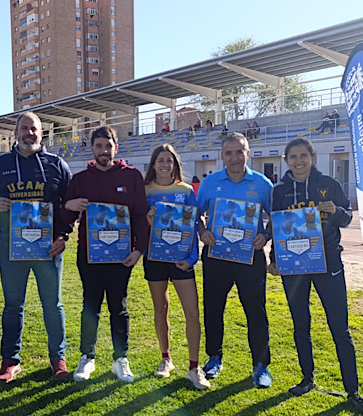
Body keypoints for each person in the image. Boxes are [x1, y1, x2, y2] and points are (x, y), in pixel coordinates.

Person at [268, 138, 363, 416]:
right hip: (294, 267)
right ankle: (307, 378)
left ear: (313, 157)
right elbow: (276, 227)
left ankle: (352, 391)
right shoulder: (279, 191)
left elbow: (347, 217)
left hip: (328, 265)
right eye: (293, 157)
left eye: (304, 155)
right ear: (286, 160)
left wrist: (335, 211)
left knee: (340, 328)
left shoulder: (329, 184)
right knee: (300, 324)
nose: (299, 161)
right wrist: (273, 259)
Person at [0, 112, 73, 383]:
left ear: (41, 133)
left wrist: (63, 235)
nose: (29, 133)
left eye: (34, 129)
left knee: (52, 304)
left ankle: (58, 359)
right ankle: (10, 360)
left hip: (48, 249)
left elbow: (69, 205)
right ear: (16, 133)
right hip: (11, 248)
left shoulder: (56, 165)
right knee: (13, 305)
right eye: (24, 128)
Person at [62, 126, 148, 383]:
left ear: (116, 148)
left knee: (118, 306)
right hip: (90, 254)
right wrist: (69, 205)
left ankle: (120, 358)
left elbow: (140, 215)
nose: (104, 151)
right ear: (92, 149)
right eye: (99, 146)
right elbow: (65, 217)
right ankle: (87, 356)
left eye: (108, 146)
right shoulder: (80, 179)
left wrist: (139, 249)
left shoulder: (132, 176)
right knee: (90, 304)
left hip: (121, 255)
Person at [196, 132, 273, 387]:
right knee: (213, 308)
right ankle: (214, 357)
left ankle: (260, 365)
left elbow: (277, 217)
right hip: (216, 256)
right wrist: (202, 231)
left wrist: (266, 235)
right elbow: (195, 214)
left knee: (255, 311)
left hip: (250, 257)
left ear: (248, 153)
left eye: (239, 152)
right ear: (222, 156)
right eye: (229, 153)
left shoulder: (262, 184)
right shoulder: (210, 183)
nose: (235, 157)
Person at [142, 144, 209, 390]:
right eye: (160, 160)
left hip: (181, 260)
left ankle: (194, 367)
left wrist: (191, 259)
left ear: (175, 165)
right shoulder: (145, 190)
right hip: (155, 258)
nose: (164, 164)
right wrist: (148, 221)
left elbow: (193, 226)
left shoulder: (186, 190)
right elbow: (139, 226)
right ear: (153, 164)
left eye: (169, 161)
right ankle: (165, 359)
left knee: (192, 312)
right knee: (161, 309)